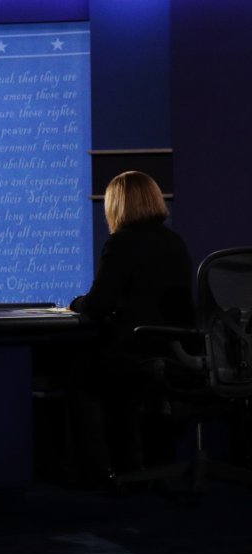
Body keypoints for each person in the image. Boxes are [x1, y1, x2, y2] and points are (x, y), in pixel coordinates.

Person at [66, 171, 194, 484]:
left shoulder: (121, 242)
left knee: (79, 374)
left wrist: (75, 303)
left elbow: (98, 305)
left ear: (118, 205)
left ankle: (99, 473)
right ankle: (145, 463)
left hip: (135, 352)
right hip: (176, 351)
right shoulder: (174, 241)